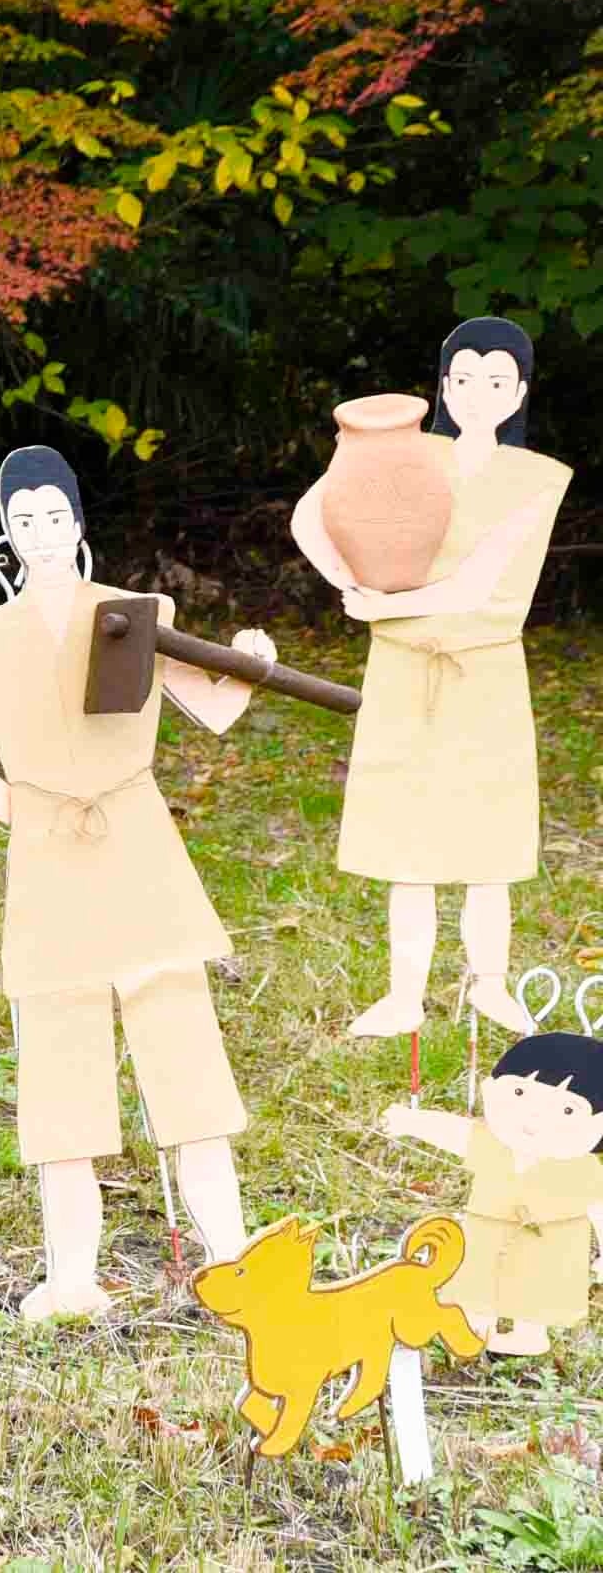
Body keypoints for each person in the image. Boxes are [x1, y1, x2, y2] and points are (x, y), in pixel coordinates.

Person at [0, 448, 261, 1323]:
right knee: (58, 1057)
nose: (39, 531)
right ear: (2, 532)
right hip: (49, 859)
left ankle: (233, 1253)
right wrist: (26, 810)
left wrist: (251, 661)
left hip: (139, 842)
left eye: (53, 514)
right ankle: (72, 1275)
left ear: (79, 523)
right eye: (22, 517)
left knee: (181, 1042)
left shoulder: (133, 615)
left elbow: (217, 706)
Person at [291, 317, 572, 1039]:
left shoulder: (537, 479)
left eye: (498, 381)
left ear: (519, 394)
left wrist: (388, 605)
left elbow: (481, 587)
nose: (480, 393)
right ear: (444, 386)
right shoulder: (407, 454)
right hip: (402, 667)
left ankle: (490, 982)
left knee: (489, 843)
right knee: (402, 837)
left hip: (484, 671)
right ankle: (402, 994)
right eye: (466, 378)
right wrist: (348, 583)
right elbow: (310, 516)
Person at [383, 1033, 603, 1356]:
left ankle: (529, 1335)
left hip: (550, 1243)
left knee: (535, 1293)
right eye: (518, 1092)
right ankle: (475, 1329)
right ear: (490, 1088)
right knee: (478, 1285)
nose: (534, 1118)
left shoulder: (581, 1169)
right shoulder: (492, 1145)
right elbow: (453, 1132)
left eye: (568, 1110)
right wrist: (412, 1121)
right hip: (487, 1232)